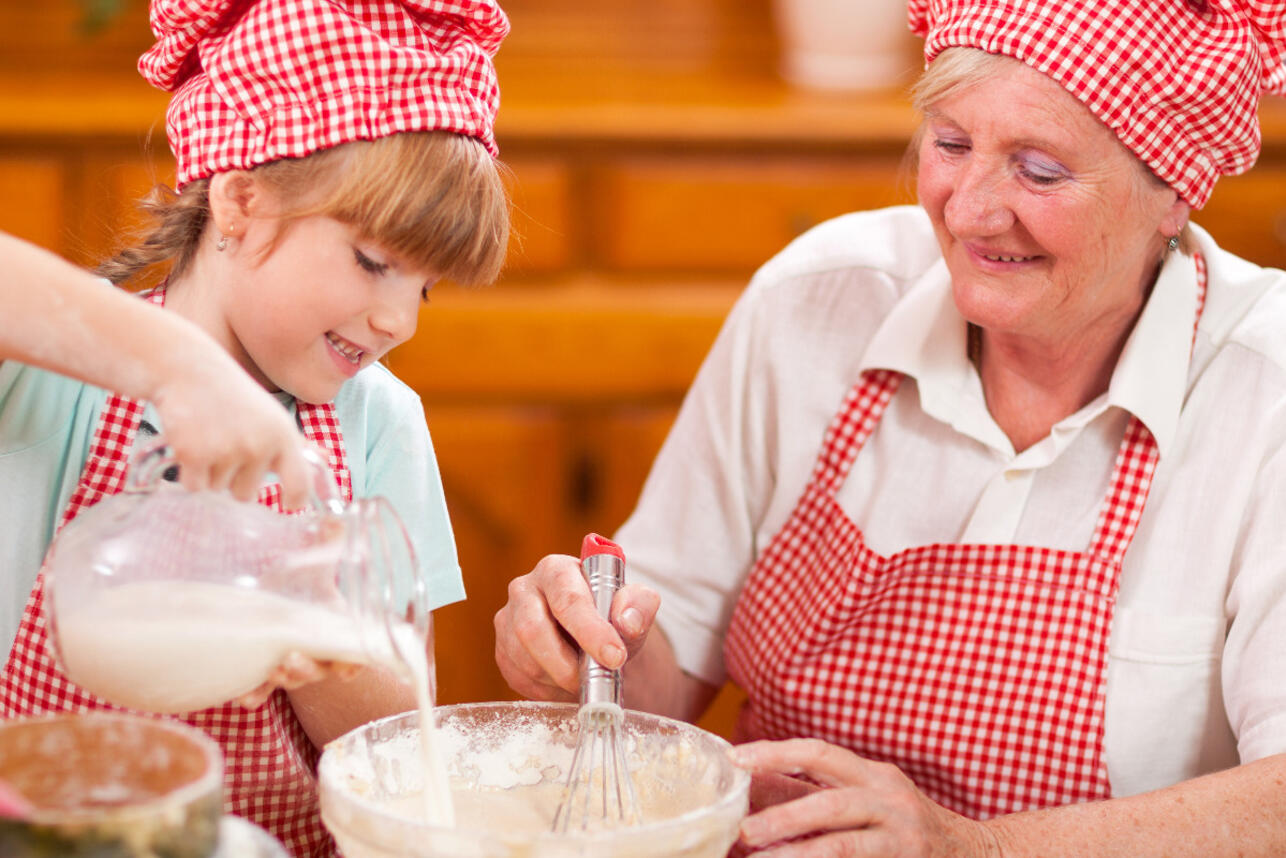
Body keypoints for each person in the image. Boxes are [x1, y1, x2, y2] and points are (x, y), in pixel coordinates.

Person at [494, 0, 1286, 854]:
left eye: (1041, 171)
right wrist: (586, 654)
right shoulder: (821, 298)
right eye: (950, 145)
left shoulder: (1264, 393)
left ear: (1172, 192)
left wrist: (970, 848)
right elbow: (665, 670)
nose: (970, 210)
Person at [0, 0, 510, 855]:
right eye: (374, 262)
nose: (397, 322)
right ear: (241, 200)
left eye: (424, 288)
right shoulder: (60, 371)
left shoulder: (381, 420)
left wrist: (315, 624)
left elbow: (398, 742)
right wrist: (171, 363)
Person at [0, 230, 314, 506]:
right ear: (240, 201)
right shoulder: (49, 372)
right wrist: (183, 365)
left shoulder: (361, 408)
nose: (367, 322)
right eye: (364, 262)